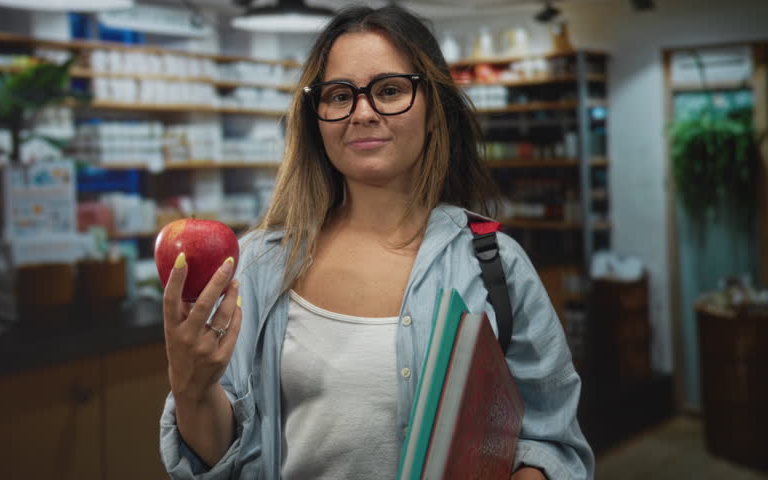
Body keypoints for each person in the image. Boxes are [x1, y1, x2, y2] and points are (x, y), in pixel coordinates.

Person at [159, 5, 594, 479]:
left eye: (389, 91)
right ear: (316, 117)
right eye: (339, 95)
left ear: (434, 112)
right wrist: (192, 388)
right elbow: (217, 457)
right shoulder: (260, 265)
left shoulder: (495, 264)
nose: (362, 112)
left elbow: (552, 440)